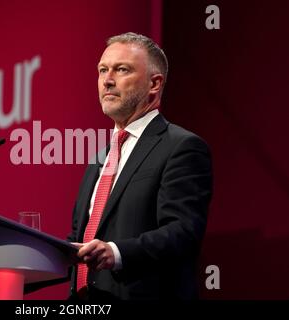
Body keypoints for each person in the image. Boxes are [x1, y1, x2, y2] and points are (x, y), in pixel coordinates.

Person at [67, 32, 213, 300]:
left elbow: (183, 232)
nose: (107, 81)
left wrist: (117, 252)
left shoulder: (181, 147)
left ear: (154, 84)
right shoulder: (99, 158)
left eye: (121, 69)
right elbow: (80, 236)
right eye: (102, 70)